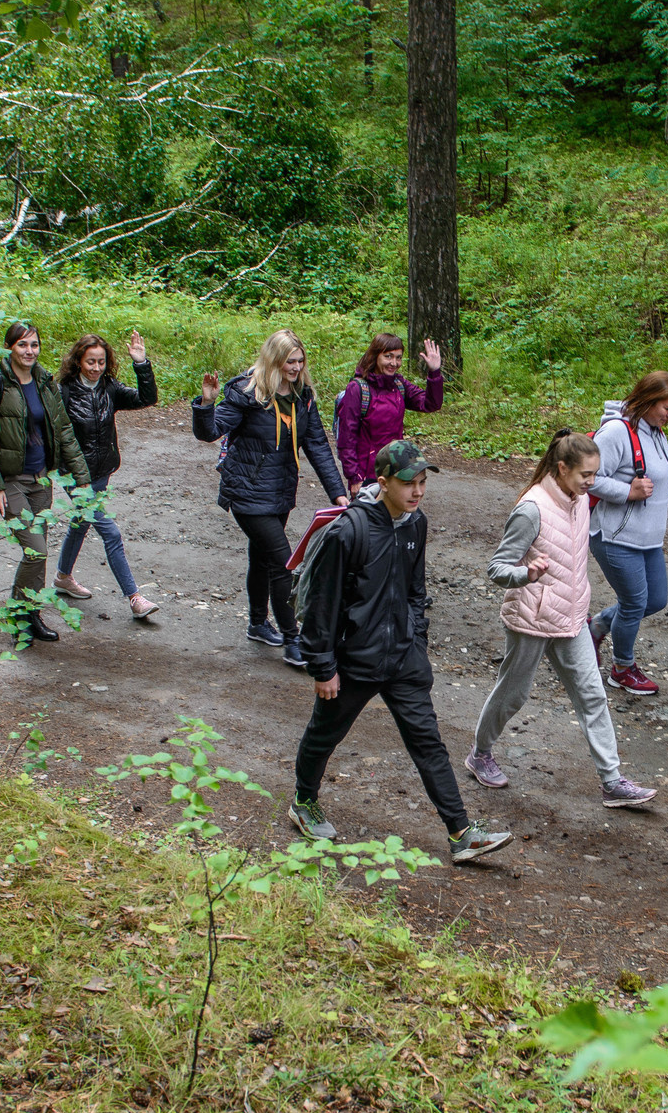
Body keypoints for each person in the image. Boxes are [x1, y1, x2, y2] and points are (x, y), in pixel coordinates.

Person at [290, 438, 512, 864]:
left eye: (424, 482)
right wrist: (322, 667)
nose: (418, 491)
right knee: (325, 734)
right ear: (384, 481)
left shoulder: (416, 524)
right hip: (354, 660)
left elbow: (416, 590)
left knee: (428, 742)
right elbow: (322, 605)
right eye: (409, 482)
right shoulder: (348, 531)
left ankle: (461, 833)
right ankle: (303, 801)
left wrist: (417, 639)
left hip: (402, 658)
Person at [468, 430, 658, 809]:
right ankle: (480, 754)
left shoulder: (580, 499)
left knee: (593, 695)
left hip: (571, 618)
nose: (592, 481)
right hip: (531, 620)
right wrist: (526, 575)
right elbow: (496, 568)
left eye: (594, 474)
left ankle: (612, 781)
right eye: (586, 474)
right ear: (561, 468)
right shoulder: (532, 508)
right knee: (513, 695)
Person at [193, 328, 350, 668]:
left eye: (299, 361)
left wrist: (337, 494)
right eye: (288, 362)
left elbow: (318, 446)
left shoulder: (302, 395)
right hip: (247, 493)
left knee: (262, 558)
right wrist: (207, 403)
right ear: (273, 360)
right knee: (283, 563)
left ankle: (256, 623)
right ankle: (294, 640)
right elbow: (209, 432)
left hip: (280, 492)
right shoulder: (247, 392)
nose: (295, 368)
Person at [0, 322, 89, 645]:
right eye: (22, 345)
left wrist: (83, 481)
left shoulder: (45, 384)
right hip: (11, 483)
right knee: (34, 551)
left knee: (40, 553)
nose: (29, 351)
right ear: (9, 347)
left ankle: (31, 615)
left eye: (34, 345)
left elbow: (64, 432)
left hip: (41, 481)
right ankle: (16, 611)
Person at [587, 370, 668, 695]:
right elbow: (589, 478)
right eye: (667, 408)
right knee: (633, 603)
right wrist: (628, 491)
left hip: (647, 539)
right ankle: (622, 670)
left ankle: (596, 626)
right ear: (647, 400)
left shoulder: (655, 431)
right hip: (614, 536)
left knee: (654, 600)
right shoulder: (615, 431)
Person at [55, 329, 160, 621]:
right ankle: (135, 597)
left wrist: (141, 364)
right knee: (110, 532)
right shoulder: (63, 391)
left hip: (102, 471)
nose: (96, 368)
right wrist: (71, 473)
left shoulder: (109, 388)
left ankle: (63, 577)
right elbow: (57, 437)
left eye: (101, 362)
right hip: (75, 476)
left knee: (80, 524)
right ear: (78, 361)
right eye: (91, 362)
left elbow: (145, 399)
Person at [334, 331, 444, 489]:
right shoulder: (358, 389)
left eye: (398, 357)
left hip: (396, 472)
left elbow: (430, 404)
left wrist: (434, 372)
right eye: (388, 356)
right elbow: (347, 439)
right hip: (367, 477)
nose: (394, 363)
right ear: (375, 356)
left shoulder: (399, 385)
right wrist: (355, 477)